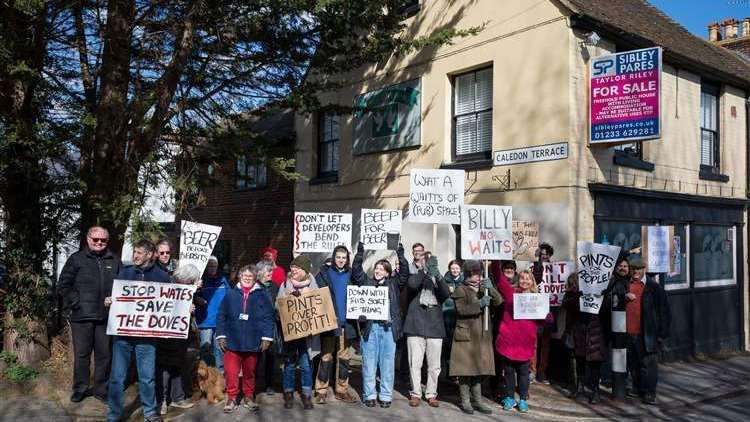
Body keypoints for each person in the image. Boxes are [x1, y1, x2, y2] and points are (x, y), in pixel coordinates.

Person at [107, 239, 171, 422]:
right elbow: (116, 296)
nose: (135, 255)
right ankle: (114, 414)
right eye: (134, 252)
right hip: (123, 335)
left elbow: (171, 303)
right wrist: (110, 301)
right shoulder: (124, 272)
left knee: (147, 377)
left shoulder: (162, 276)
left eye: (140, 252)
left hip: (147, 337)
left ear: (150, 255)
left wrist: (183, 309)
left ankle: (150, 412)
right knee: (117, 377)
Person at [58, 226, 121, 403]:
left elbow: (123, 286)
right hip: (82, 317)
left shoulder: (114, 260)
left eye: (103, 240)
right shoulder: (76, 259)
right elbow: (63, 285)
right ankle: (80, 388)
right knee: (82, 355)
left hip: (106, 317)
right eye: (95, 239)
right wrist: (76, 303)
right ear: (88, 239)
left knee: (104, 355)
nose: (99, 243)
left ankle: (101, 390)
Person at [352, 241, 409, 408]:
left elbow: (404, 274)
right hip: (371, 328)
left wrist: (400, 253)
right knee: (369, 363)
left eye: (382, 269)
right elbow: (356, 271)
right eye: (377, 268)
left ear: (388, 272)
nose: (378, 271)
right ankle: (369, 394)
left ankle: (385, 395)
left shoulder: (394, 284)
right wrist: (360, 253)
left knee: (387, 364)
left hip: (388, 329)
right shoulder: (367, 282)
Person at [215, 264, 275, 413]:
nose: (247, 278)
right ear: (240, 277)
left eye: (250, 276)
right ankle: (231, 397)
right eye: (244, 276)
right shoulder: (231, 294)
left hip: (253, 339)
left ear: (254, 278)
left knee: (250, 372)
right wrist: (221, 335)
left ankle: (248, 396)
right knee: (231, 372)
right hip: (232, 340)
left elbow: (269, 317)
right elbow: (221, 315)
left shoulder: (262, 294)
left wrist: (267, 337)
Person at [449, 260, 502, 415]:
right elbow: (461, 310)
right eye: (474, 273)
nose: (478, 276)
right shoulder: (461, 289)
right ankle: (465, 401)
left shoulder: (484, 288)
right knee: (465, 370)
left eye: (479, 273)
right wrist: (479, 304)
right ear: (468, 274)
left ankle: (478, 400)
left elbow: (499, 302)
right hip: (466, 334)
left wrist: (491, 289)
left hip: (482, 335)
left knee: (479, 369)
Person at [496, 268, 549, 413]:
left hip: (525, 342)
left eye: (528, 278)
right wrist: (495, 261)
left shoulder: (537, 298)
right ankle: (509, 397)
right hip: (509, 340)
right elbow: (500, 280)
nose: (525, 281)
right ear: (518, 280)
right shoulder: (511, 294)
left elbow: (543, 319)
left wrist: (547, 317)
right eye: (522, 278)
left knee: (524, 373)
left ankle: (523, 399)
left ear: (532, 281)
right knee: (508, 371)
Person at [620, 257, 671, 405]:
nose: (635, 272)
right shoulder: (625, 285)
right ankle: (637, 388)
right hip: (628, 331)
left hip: (647, 333)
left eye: (638, 269)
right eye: (633, 269)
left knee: (648, 364)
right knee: (633, 363)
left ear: (644, 270)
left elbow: (664, 311)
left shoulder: (654, 288)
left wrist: (662, 333)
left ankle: (649, 392)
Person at [404, 254, 450, 407]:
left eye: (430, 261)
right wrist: (424, 271)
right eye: (426, 260)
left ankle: (431, 393)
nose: (428, 263)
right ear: (421, 262)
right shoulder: (416, 275)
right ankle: (416, 393)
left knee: (434, 366)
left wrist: (436, 274)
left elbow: (445, 294)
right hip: (415, 325)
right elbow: (412, 285)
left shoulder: (438, 277)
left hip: (435, 327)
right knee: (414, 364)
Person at [313, 245, 357, 404]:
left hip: (346, 323)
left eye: (344, 258)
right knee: (326, 356)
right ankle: (321, 390)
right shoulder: (324, 274)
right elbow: (313, 292)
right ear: (333, 257)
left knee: (344, 357)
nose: (341, 260)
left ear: (347, 259)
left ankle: (341, 390)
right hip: (329, 322)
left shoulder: (352, 274)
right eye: (338, 257)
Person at [156, 264, 200, 415]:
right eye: (191, 281)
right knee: (165, 367)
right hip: (167, 333)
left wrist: (190, 308)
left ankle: (178, 397)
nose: (192, 284)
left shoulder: (187, 289)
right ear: (186, 279)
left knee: (178, 364)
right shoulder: (169, 284)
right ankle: (161, 400)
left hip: (181, 333)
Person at [277, 255, 320, 410]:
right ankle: (288, 393)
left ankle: (306, 395)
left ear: (304, 270)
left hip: (307, 334)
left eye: (297, 267)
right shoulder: (285, 284)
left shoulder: (313, 284)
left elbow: (319, 305)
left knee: (306, 365)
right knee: (288, 364)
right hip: (290, 333)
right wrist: (289, 299)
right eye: (292, 267)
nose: (293, 270)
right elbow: (278, 305)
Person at [562, 273, 611, 404]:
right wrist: (578, 295)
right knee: (580, 362)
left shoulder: (597, 290)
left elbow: (605, 309)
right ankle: (579, 387)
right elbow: (567, 305)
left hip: (595, 332)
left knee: (595, 364)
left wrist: (602, 295)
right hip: (579, 331)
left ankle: (595, 391)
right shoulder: (571, 294)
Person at [195, 256, 230, 373]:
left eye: (214, 266)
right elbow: (191, 296)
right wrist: (197, 298)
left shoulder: (223, 280)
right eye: (209, 265)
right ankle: (206, 376)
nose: (212, 268)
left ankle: (220, 377)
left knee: (219, 350)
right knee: (205, 349)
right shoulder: (200, 281)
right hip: (205, 321)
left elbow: (230, 296)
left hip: (219, 321)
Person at [255, 259, 281, 394]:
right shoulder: (254, 287)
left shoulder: (275, 287)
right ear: (260, 273)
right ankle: (254, 383)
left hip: (271, 326)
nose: (271, 273)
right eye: (268, 271)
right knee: (256, 356)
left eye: (271, 270)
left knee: (271, 356)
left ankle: (269, 384)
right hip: (256, 327)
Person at [531, 242, 554, 384]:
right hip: (536, 308)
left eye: (546, 254)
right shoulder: (533, 268)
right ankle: (532, 371)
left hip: (550, 310)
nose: (544, 256)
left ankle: (542, 372)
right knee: (534, 342)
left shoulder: (556, 269)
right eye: (541, 254)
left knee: (546, 343)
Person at [441, 259, 464, 376]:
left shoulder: (464, 282)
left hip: (460, 317)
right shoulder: (445, 281)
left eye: (457, 268)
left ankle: (458, 370)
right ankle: (448, 369)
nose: (455, 270)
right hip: (446, 315)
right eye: (453, 268)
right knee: (447, 344)